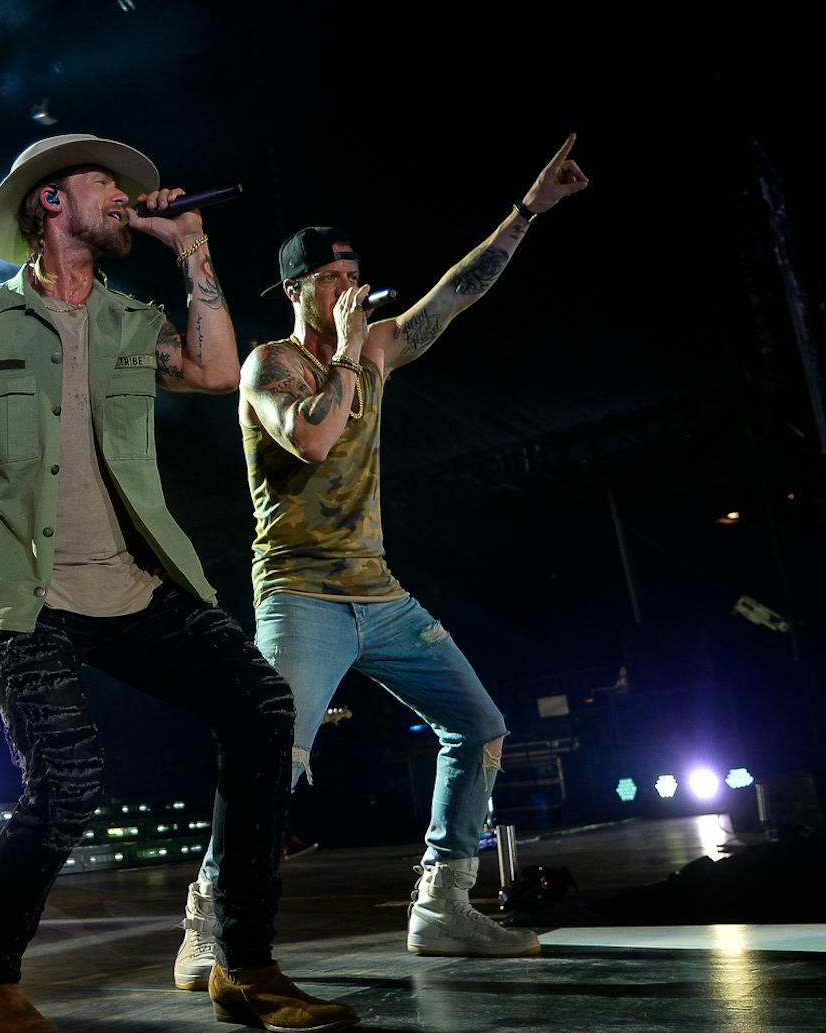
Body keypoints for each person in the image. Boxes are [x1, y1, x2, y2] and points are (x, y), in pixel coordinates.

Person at [0, 132, 355, 1033]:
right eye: (102, 183)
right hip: (23, 594)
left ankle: (245, 962)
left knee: (263, 706)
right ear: (50, 205)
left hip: (135, 581)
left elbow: (219, 370)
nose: (121, 196)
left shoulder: (129, 318)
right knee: (68, 783)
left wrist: (193, 255)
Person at [173, 135, 590, 987]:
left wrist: (527, 211)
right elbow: (317, 439)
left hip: (382, 593)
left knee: (479, 727)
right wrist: (351, 347)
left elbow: (454, 296)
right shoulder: (271, 364)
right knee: (271, 754)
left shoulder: (374, 346)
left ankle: (442, 904)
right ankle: (210, 914)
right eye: (331, 277)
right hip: (300, 594)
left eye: (353, 273)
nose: (348, 287)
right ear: (297, 288)